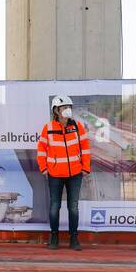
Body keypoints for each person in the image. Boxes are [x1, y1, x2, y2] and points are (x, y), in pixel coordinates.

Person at [37, 94, 91, 250]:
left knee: (73, 207)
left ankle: (74, 238)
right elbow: (41, 149)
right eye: (64, 107)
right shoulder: (48, 128)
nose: (68, 110)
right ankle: (54, 237)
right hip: (55, 174)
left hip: (75, 174)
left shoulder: (77, 126)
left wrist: (85, 167)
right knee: (55, 206)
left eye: (69, 107)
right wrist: (44, 168)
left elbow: (85, 147)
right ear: (56, 110)